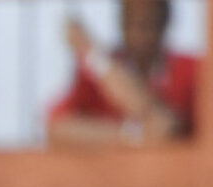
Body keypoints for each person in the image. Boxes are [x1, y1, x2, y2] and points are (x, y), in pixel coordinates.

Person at [47, 0, 198, 145]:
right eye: (130, 21)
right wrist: (134, 135)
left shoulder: (191, 70)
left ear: (164, 21)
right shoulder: (95, 74)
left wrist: (93, 54)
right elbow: (56, 128)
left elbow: (166, 127)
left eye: (147, 23)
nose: (137, 33)